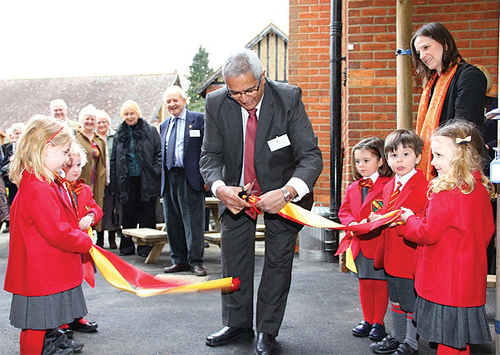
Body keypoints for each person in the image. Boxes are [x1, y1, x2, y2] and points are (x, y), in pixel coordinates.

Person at [200, 49, 323, 355]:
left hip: (282, 194)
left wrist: (288, 192)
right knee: (233, 258)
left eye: (250, 89)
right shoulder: (216, 102)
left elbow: (310, 156)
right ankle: (237, 323)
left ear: (263, 77)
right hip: (236, 194)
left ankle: (267, 329)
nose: (244, 98)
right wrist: (219, 188)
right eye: (235, 92)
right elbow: (209, 156)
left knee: (277, 262)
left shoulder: (289, 99)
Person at [401, 120, 495, 355]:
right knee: (459, 339)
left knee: (447, 342)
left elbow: (427, 232)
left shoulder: (445, 193)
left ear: (461, 156)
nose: (433, 162)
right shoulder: (480, 189)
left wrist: (409, 220)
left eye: (439, 155)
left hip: (443, 283)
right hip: (469, 281)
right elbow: (486, 233)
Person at [3, 115, 92, 354]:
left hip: (40, 271)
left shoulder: (37, 181)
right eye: (64, 153)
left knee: (38, 325)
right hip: (40, 273)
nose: (66, 159)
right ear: (46, 148)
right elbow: (56, 232)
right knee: (35, 327)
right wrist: (84, 241)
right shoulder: (39, 188)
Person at [369, 130, 428, 355]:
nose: (399, 160)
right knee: (395, 298)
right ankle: (397, 336)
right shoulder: (389, 185)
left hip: (409, 253)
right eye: (393, 156)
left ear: (418, 157)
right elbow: (386, 213)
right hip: (391, 254)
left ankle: (411, 343)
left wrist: (402, 222)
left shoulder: (425, 187)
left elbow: (424, 220)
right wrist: (377, 218)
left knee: (409, 301)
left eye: (406, 154)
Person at [411, 22, 487, 180]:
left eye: (426, 47)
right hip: (441, 167)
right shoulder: (432, 84)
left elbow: (465, 128)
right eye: (418, 52)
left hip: (462, 170)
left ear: (445, 43)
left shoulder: (469, 75)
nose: (422, 56)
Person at [338, 137, 393, 342]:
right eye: (358, 161)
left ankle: (379, 321)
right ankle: (367, 319)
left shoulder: (390, 184)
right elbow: (344, 211)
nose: (361, 165)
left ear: (380, 161)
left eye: (366, 160)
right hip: (359, 242)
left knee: (380, 283)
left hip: (379, 241)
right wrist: (350, 222)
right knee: (364, 282)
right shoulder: (353, 187)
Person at [160, 86, 207, 276]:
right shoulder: (164, 125)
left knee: (193, 222)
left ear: (184, 100)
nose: (172, 104)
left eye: (175, 100)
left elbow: (207, 150)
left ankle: (195, 261)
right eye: (168, 101)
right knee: (173, 222)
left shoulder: (199, 120)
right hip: (170, 177)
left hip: (191, 178)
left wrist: (206, 178)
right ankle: (178, 260)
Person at [58, 142, 102, 337]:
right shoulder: (56, 189)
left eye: (78, 165)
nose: (75, 170)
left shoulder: (83, 189)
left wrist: (90, 216)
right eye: (70, 166)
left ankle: (76, 316)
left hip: (80, 245)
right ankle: (62, 319)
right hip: (63, 245)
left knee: (76, 282)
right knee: (61, 283)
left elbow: (96, 208)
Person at [110, 100, 161, 257]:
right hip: (127, 181)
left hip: (147, 179)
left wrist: (156, 171)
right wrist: (115, 181)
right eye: (126, 114)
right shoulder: (119, 134)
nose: (129, 117)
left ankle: (145, 247)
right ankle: (126, 246)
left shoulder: (150, 131)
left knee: (147, 215)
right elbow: (113, 159)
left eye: (132, 113)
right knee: (128, 215)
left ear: (137, 114)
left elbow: (159, 153)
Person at [75, 104, 106, 247]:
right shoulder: (76, 137)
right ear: (81, 120)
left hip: (96, 180)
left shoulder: (98, 139)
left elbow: (103, 162)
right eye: (87, 118)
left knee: (95, 207)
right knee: (80, 206)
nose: (89, 121)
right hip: (80, 179)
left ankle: (95, 239)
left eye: (92, 119)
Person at [96, 109, 121, 249]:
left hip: (113, 178)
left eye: (104, 122)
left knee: (113, 209)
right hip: (100, 180)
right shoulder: (94, 139)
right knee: (101, 209)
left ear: (109, 123)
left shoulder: (115, 136)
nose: (101, 125)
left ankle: (112, 238)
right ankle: (100, 238)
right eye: (99, 122)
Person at [0, 122, 25, 232]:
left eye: (21, 133)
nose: (19, 135)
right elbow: (3, 164)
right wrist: (11, 161)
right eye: (16, 133)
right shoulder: (10, 147)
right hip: (13, 182)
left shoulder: (28, 146)